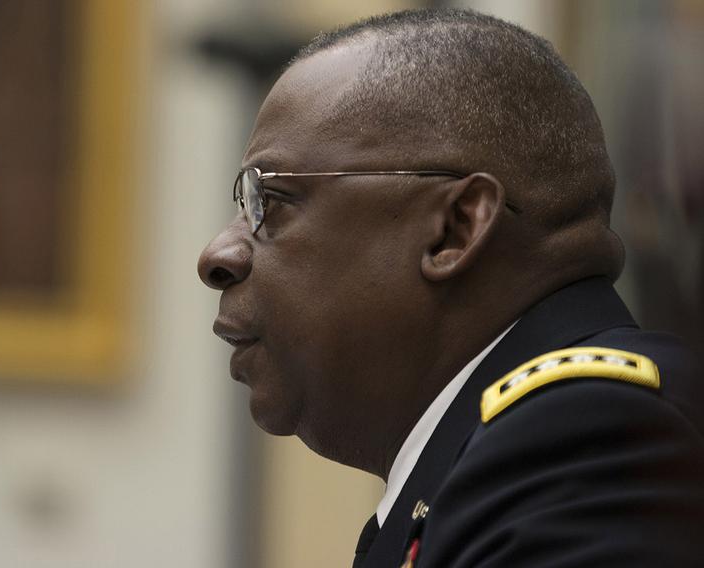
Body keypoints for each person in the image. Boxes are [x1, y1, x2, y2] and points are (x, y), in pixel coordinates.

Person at [197, 9, 704, 568]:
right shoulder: (477, 466)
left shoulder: (587, 441)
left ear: (455, 228)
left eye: (272, 200)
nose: (217, 256)